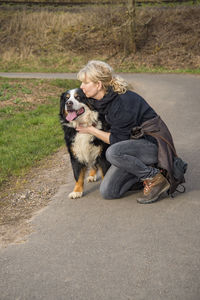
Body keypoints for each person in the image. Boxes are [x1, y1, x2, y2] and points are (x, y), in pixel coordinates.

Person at [76, 60, 178, 204]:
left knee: (113, 152)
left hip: (153, 144)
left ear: (98, 85)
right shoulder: (103, 99)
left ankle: (155, 177)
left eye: (85, 83)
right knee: (109, 192)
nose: (81, 87)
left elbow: (117, 141)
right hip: (133, 145)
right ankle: (143, 174)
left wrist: (90, 130)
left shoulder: (122, 103)